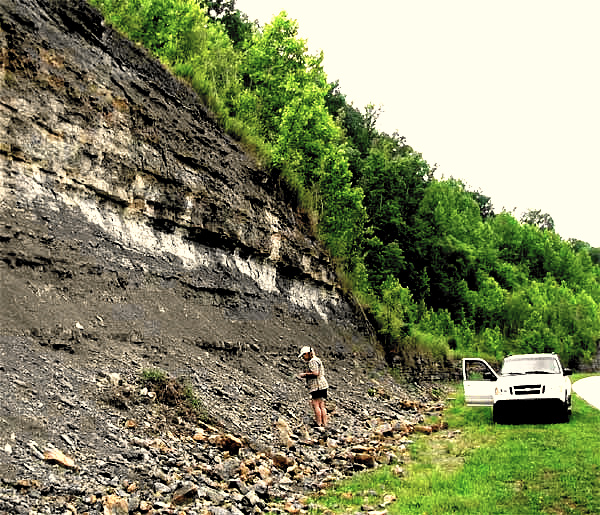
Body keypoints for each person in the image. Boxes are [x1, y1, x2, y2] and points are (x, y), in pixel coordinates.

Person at [296, 346, 329, 428]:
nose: (303, 358)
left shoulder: (312, 361)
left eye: (303, 355)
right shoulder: (317, 359)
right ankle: (324, 424)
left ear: (307, 354)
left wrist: (305, 375)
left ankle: (318, 423)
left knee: (316, 404)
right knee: (322, 405)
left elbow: (315, 373)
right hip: (323, 385)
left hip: (317, 386)